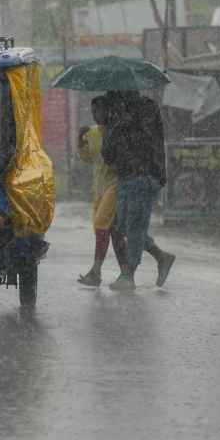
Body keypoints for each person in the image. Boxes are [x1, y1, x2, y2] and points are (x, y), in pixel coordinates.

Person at [101, 90, 176, 291]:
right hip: (129, 176)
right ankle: (162, 257)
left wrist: (116, 125)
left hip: (142, 176)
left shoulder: (141, 111)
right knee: (122, 227)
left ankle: (128, 275)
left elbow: (144, 142)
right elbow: (108, 154)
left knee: (133, 227)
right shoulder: (127, 113)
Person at [76, 96, 129, 286]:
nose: (96, 115)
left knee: (100, 227)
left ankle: (96, 272)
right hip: (98, 188)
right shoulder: (91, 133)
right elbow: (89, 158)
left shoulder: (119, 132)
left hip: (115, 186)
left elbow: (121, 161)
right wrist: (81, 142)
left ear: (108, 112)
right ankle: (126, 274)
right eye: (93, 111)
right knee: (114, 232)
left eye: (99, 111)